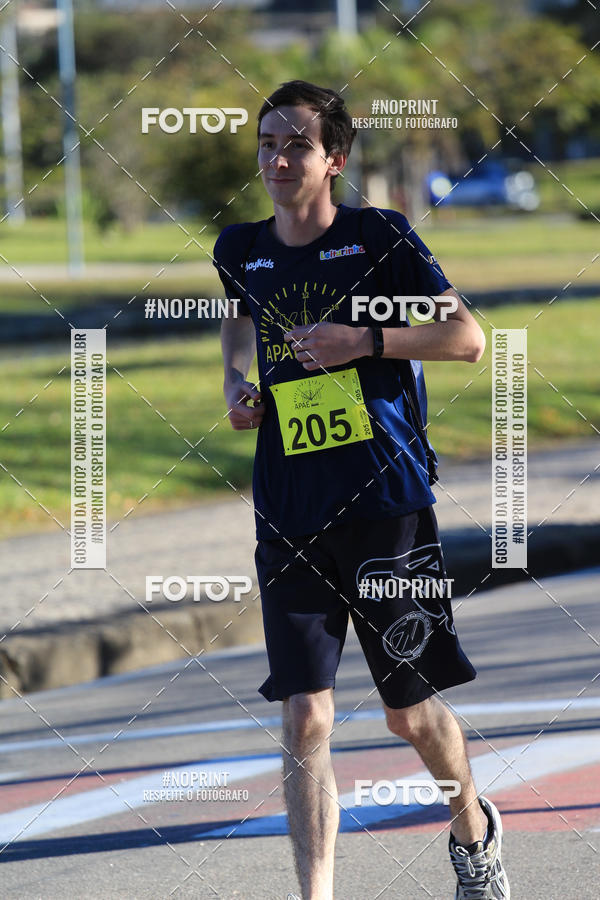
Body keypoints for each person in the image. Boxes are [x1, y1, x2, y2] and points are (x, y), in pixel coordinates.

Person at [214, 80, 509, 900]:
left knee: (407, 714)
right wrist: (234, 378)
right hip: (288, 507)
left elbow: (467, 339)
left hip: (385, 503)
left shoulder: (378, 237)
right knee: (305, 716)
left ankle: (473, 832)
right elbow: (240, 311)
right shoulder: (239, 246)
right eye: (268, 144)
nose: (278, 158)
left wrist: (364, 341)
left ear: (334, 159)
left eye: (297, 145)